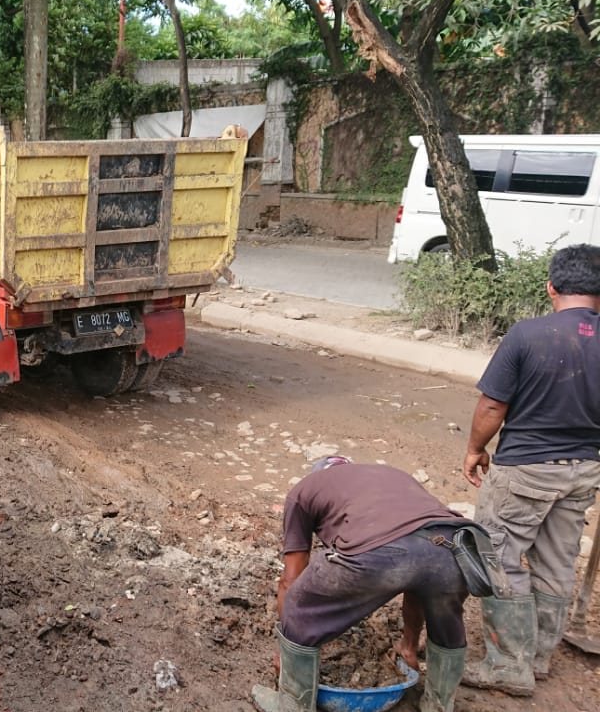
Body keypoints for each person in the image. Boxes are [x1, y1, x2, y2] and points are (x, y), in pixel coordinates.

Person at [460, 244, 600, 697]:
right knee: (558, 562)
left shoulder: (527, 334)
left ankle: (508, 664)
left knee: (497, 557)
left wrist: (475, 448)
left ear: (551, 288)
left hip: (526, 469)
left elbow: (493, 403)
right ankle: (537, 658)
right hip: (583, 472)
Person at [251, 456, 470, 712]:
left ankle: (291, 705)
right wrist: (408, 647)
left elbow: (290, 579)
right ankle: (439, 704)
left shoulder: (304, 491)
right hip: (454, 548)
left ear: (318, 474)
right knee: (441, 611)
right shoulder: (392, 474)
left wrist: (287, 654)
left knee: (300, 604)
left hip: (381, 551)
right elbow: (417, 562)